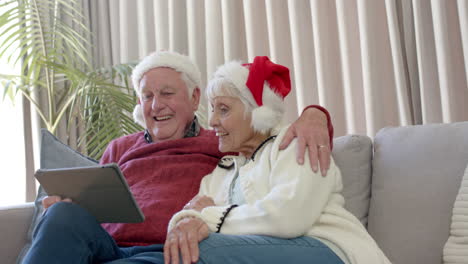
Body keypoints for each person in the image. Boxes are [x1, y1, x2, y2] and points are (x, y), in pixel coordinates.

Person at [22, 51, 334, 263]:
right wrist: (69, 209)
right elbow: (95, 212)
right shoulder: (119, 147)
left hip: (168, 250)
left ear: (195, 97)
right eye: (147, 96)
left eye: (167, 94)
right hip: (107, 247)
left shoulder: (222, 142)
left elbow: (268, 135)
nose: (156, 105)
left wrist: (315, 115)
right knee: (62, 215)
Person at [164, 56, 391, 264]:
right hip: (265, 252)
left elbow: (289, 217)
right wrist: (188, 221)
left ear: (257, 112)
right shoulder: (221, 173)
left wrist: (210, 216)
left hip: (330, 249)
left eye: (223, 110)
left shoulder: (295, 143)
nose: (212, 121)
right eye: (212, 109)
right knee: (158, 252)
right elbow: (189, 219)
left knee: (198, 251)